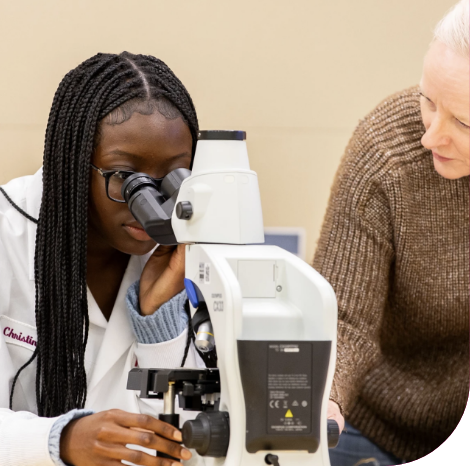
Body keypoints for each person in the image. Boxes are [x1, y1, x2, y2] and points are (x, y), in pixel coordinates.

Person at [0, 52, 207, 466]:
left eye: (173, 177)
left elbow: (188, 444)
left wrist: (158, 321)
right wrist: (59, 441)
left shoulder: (190, 251)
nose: (152, 206)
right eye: (125, 177)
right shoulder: (7, 233)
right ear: (73, 164)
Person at [318, 1, 469, 464]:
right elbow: (341, 316)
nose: (430, 136)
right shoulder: (388, 148)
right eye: (428, 100)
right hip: (374, 423)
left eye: (462, 122)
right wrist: (324, 399)